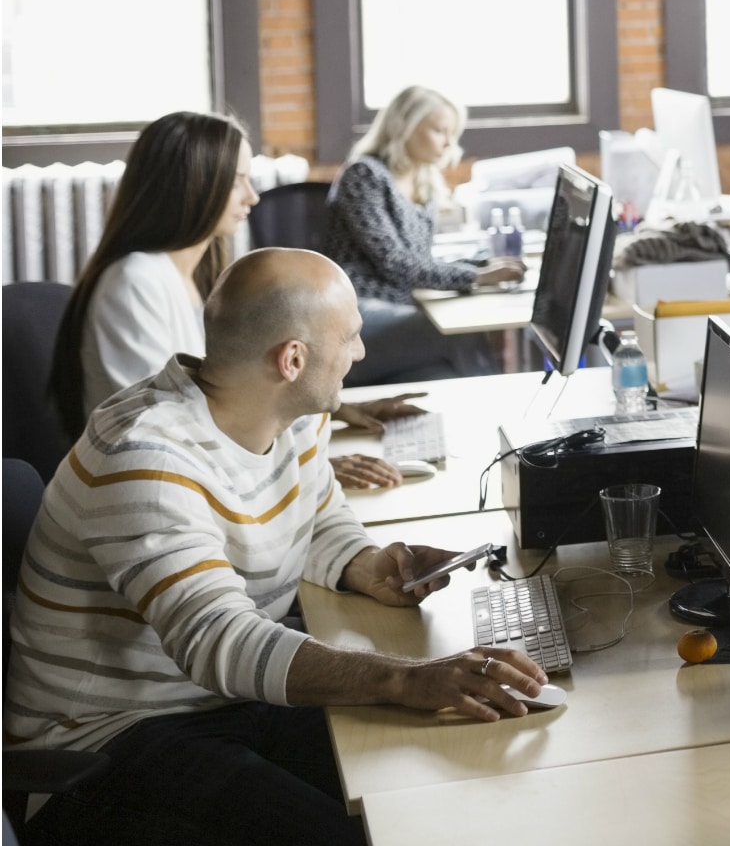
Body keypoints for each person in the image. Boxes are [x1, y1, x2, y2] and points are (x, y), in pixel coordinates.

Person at [6, 248, 549, 846]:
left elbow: (317, 514)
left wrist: (364, 565)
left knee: (425, 788)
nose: (362, 353)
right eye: (350, 338)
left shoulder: (287, 411)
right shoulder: (148, 460)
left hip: (221, 703)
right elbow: (218, 641)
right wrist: (405, 678)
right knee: (353, 831)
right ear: (292, 359)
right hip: (106, 742)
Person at [48, 110, 421, 489]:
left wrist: (342, 410)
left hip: (194, 472)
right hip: (157, 484)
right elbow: (160, 425)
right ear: (192, 184)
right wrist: (298, 468)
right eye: (237, 180)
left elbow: (234, 388)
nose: (253, 196)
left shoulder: (195, 273)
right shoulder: (135, 281)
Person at [327, 84, 520, 384]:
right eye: (440, 131)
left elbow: (420, 260)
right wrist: (475, 277)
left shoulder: (424, 183)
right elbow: (396, 262)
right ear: (404, 127)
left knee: (443, 376)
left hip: (398, 307)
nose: (449, 144)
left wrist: (482, 265)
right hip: (355, 313)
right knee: (456, 333)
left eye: (452, 134)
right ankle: (509, 417)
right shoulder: (364, 175)